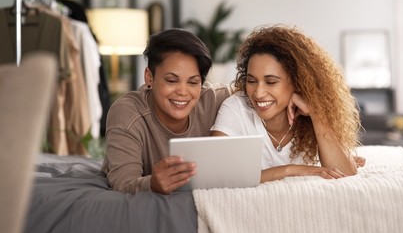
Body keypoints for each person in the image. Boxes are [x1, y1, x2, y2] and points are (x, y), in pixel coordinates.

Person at [211, 25, 364, 183]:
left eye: (271, 82)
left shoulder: (310, 115)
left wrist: (316, 114)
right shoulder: (235, 109)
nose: (258, 93)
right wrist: (290, 170)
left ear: (298, 82)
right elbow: (216, 175)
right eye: (251, 81)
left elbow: (346, 176)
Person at [102, 28, 231, 194]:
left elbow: (257, 87)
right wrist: (152, 184)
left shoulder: (214, 99)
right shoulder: (126, 113)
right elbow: (123, 183)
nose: (183, 92)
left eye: (193, 83)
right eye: (171, 80)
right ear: (149, 77)